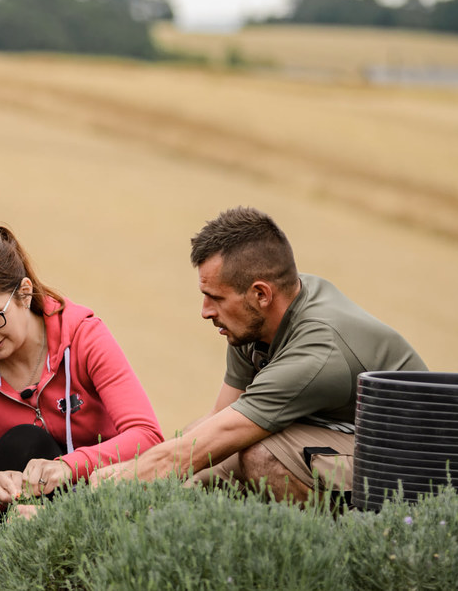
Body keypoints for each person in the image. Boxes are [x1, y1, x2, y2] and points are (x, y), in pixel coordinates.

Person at [91, 206, 428, 502]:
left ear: (261, 294)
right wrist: (143, 469)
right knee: (201, 471)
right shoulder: (255, 322)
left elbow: (223, 436)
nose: (205, 311)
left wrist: (130, 476)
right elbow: (217, 421)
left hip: (411, 471)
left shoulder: (317, 352)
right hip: (343, 445)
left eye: (216, 298)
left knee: (263, 456)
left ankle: (321, 560)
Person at [0, 226, 164, 520]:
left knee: (26, 442)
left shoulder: (84, 337)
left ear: (24, 293)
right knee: (22, 443)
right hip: (26, 518)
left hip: (107, 504)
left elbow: (147, 436)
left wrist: (68, 466)